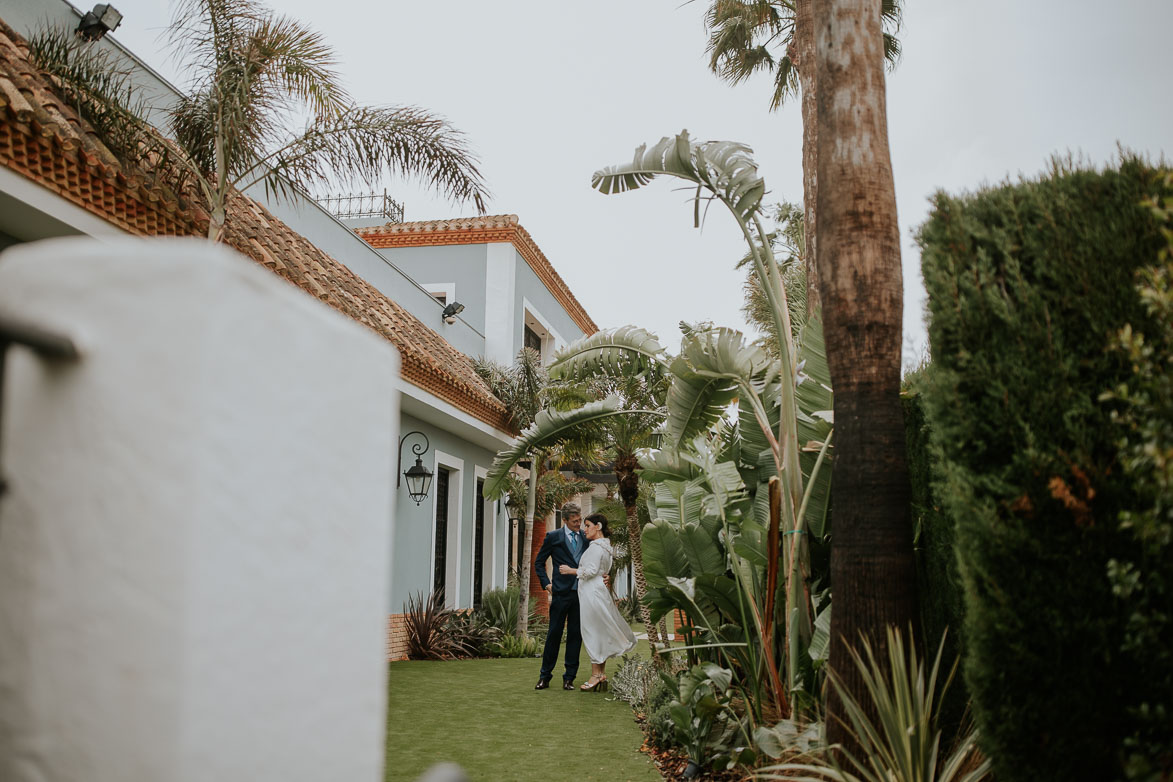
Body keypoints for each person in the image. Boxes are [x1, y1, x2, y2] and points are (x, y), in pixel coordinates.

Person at [558, 513, 637, 691]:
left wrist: (570, 570)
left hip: (591, 593)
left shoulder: (596, 547)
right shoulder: (606, 547)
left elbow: (592, 570)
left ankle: (595, 675)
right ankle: (600, 674)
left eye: (587, 525)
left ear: (598, 526)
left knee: (592, 632)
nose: (584, 529)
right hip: (597, 591)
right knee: (598, 631)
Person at [532, 502, 585, 690]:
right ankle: (544, 677)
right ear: (565, 520)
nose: (579, 524)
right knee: (553, 634)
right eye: (575, 521)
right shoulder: (553, 537)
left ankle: (569, 678)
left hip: (580, 594)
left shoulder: (586, 537)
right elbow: (539, 563)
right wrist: (546, 584)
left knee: (575, 636)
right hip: (560, 594)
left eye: (580, 520)